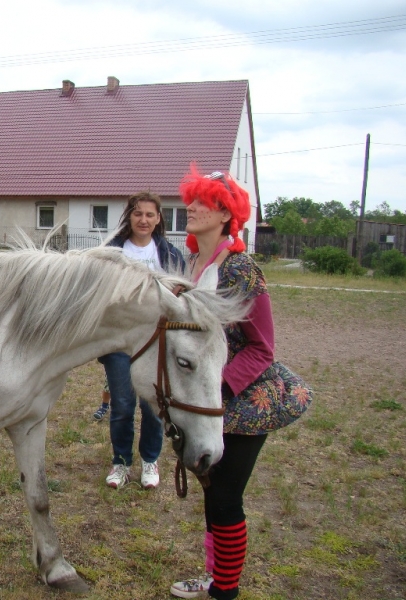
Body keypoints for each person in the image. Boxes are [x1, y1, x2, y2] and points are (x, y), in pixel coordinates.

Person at [170, 168, 312, 599]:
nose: (191, 207)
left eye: (204, 202)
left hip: (245, 399)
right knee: (213, 496)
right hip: (205, 396)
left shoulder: (242, 267)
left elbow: (262, 347)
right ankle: (216, 577)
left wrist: (220, 387)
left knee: (227, 498)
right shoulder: (190, 263)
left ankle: (224, 590)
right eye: (192, 199)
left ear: (226, 214)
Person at [97, 191, 184, 489]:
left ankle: (150, 460)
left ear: (159, 218)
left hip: (156, 344)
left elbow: (181, 300)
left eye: (149, 214)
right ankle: (120, 463)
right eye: (137, 213)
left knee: (152, 406)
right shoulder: (111, 251)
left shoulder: (171, 255)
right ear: (129, 217)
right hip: (120, 343)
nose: (143, 220)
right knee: (122, 405)